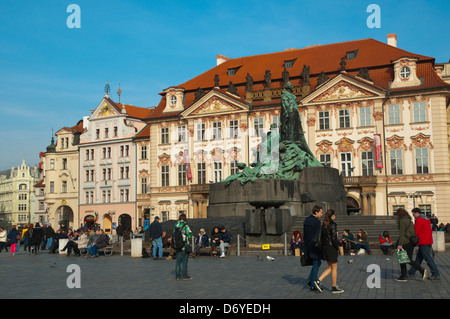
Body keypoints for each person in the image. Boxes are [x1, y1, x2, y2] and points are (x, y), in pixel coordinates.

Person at [395, 208, 427, 282]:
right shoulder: (410, 220)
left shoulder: (402, 221)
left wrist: (400, 244)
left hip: (405, 242)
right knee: (408, 259)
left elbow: (402, 233)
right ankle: (421, 270)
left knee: (402, 259)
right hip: (411, 243)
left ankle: (404, 276)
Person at [316, 209, 344, 294]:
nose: (335, 216)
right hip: (331, 248)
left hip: (325, 248)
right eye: (334, 215)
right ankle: (334, 287)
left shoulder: (324, 225)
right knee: (334, 268)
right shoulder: (333, 225)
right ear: (332, 216)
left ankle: (318, 281)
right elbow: (334, 238)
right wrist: (338, 246)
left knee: (330, 267)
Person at [409, 208, 440, 280]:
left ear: (417, 213)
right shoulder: (426, 219)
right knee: (419, 258)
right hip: (428, 240)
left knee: (428, 258)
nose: (413, 215)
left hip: (423, 241)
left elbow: (416, 231)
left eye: (413, 214)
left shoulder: (419, 220)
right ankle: (412, 271)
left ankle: (435, 273)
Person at [303, 205, 323, 292]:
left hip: (308, 245)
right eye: (321, 212)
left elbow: (305, 234)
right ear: (316, 212)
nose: (321, 214)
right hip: (315, 245)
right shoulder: (317, 222)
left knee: (317, 262)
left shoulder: (306, 220)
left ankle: (309, 280)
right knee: (316, 262)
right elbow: (318, 236)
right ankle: (313, 282)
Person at [173, 213, 193, 280]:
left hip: (177, 245)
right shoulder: (185, 225)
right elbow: (189, 234)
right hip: (184, 245)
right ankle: (184, 276)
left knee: (178, 262)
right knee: (184, 262)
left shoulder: (176, 225)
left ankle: (177, 276)